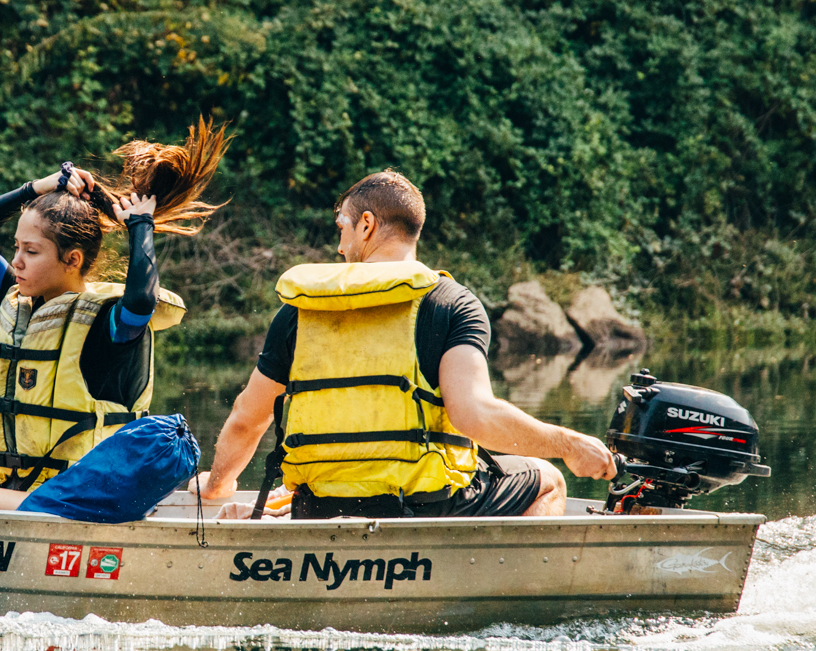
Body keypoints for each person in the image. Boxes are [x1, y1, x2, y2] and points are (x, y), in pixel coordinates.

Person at [189, 169, 615, 520]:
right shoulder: (452, 304)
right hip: (426, 507)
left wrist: (217, 485)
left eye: (343, 228)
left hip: (317, 508)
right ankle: (507, 611)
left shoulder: (301, 311)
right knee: (547, 478)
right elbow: (475, 415)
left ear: (367, 225)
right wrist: (568, 445)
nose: (339, 247)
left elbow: (248, 418)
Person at [0, 122, 229, 509]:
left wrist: (140, 225)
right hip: (10, 488)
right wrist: (38, 188)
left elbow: (141, 300)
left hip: (76, 501)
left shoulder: (112, 326)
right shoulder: (16, 297)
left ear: (72, 260)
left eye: (31, 252)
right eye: (16, 247)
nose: (16, 262)